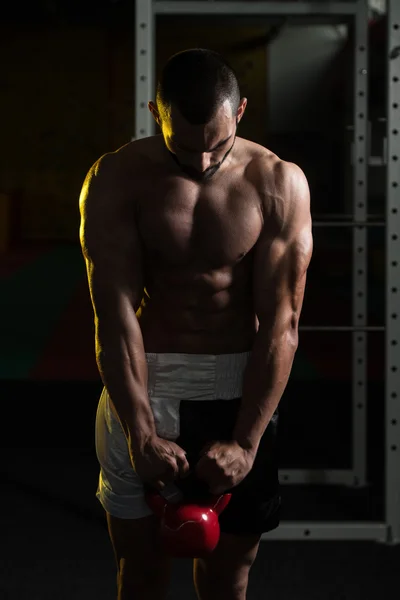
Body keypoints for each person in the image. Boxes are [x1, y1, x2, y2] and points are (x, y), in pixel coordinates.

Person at [79, 48, 313, 600]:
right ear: (155, 112)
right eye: (184, 147)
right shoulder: (116, 177)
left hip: (240, 386)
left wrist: (247, 443)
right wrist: (139, 432)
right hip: (146, 379)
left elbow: (283, 322)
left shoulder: (278, 182)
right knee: (140, 576)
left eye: (218, 145)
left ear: (241, 113)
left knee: (228, 576)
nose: (203, 164)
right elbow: (111, 314)